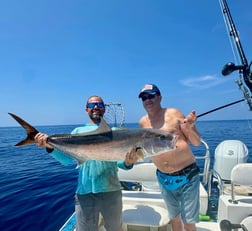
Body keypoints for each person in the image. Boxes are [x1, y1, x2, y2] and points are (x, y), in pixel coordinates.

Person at [34, 95, 138, 231]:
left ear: (104, 109)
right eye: (92, 105)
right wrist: (49, 146)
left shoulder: (116, 133)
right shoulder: (77, 132)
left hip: (111, 191)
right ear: (86, 110)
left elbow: (120, 163)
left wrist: (128, 163)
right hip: (85, 192)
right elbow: (66, 161)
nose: (95, 107)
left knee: (115, 228)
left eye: (99, 105)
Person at [138, 84, 201, 231]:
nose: (148, 100)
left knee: (189, 220)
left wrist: (190, 127)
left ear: (160, 97)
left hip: (187, 175)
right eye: (144, 98)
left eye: (151, 96)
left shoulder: (173, 113)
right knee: (174, 218)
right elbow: (144, 148)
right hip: (164, 178)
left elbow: (196, 142)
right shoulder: (142, 122)